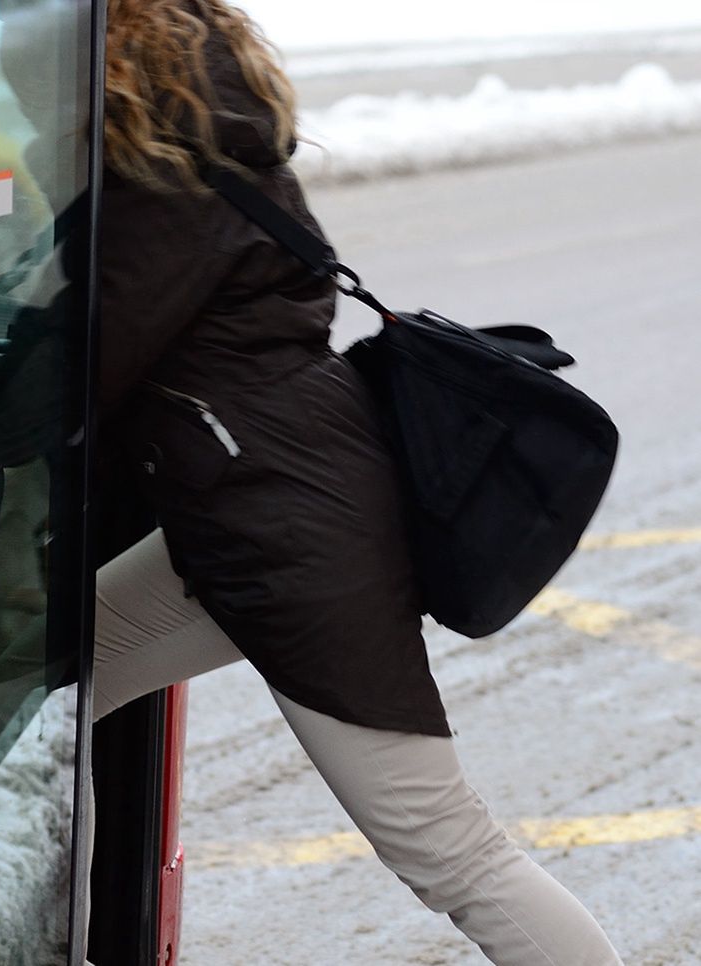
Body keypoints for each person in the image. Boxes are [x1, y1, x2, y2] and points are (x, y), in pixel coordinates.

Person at [90, 0, 624, 963]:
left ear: (114, 63)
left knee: (453, 855)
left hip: (293, 540)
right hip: (261, 507)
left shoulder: (166, 187)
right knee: (35, 683)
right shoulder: (215, 146)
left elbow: (80, 369)